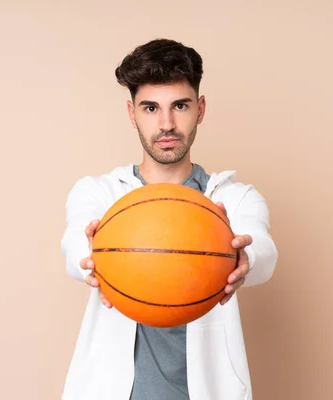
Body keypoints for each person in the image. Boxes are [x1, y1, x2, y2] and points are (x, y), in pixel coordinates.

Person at [60, 38, 278, 400]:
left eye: (180, 105)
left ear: (200, 108)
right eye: (150, 108)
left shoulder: (233, 199)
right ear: (131, 113)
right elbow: (73, 245)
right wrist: (92, 259)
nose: (166, 124)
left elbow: (263, 250)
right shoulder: (100, 194)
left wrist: (245, 257)